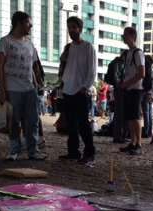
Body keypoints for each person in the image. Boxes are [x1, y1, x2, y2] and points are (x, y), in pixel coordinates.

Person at [0, 11, 46, 161]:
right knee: (14, 121)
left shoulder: (30, 45)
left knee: (33, 121)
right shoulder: (5, 42)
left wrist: (35, 88)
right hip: (12, 88)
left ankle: (33, 150)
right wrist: (1, 90)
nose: (30, 26)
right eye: (28, 23)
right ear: (19, 23)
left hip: (29, 88)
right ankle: (14, 149)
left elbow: (31, 68)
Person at [58, 16, 97, 166]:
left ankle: (89, 153)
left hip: (81, 91)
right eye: (69, 27)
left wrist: (85, 87)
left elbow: (92, 70)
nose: (71, 30)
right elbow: (64, 67)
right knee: (71, 124)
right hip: (68, 89)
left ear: (80, 29)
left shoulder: (88, 47)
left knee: (83, 124)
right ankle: (73, 151)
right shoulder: (68, 48)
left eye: (74, 27)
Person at [118, 27, 145, 156]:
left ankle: (138, 143)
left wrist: (127, 83)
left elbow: (141, 73)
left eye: (126, 35)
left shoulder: (138, 53)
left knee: (135, 117)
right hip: (129, 88)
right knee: (129, 117)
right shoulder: (129, 53)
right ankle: (133, 142)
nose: (124, 37)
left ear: (133, 36)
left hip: (135, 89)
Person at [141, 55, 153, 139]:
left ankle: (146, 131)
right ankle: (150, 130)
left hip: (147, 94)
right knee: (150, 114)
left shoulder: (148, 71)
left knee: (146, 113)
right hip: (152, 94)